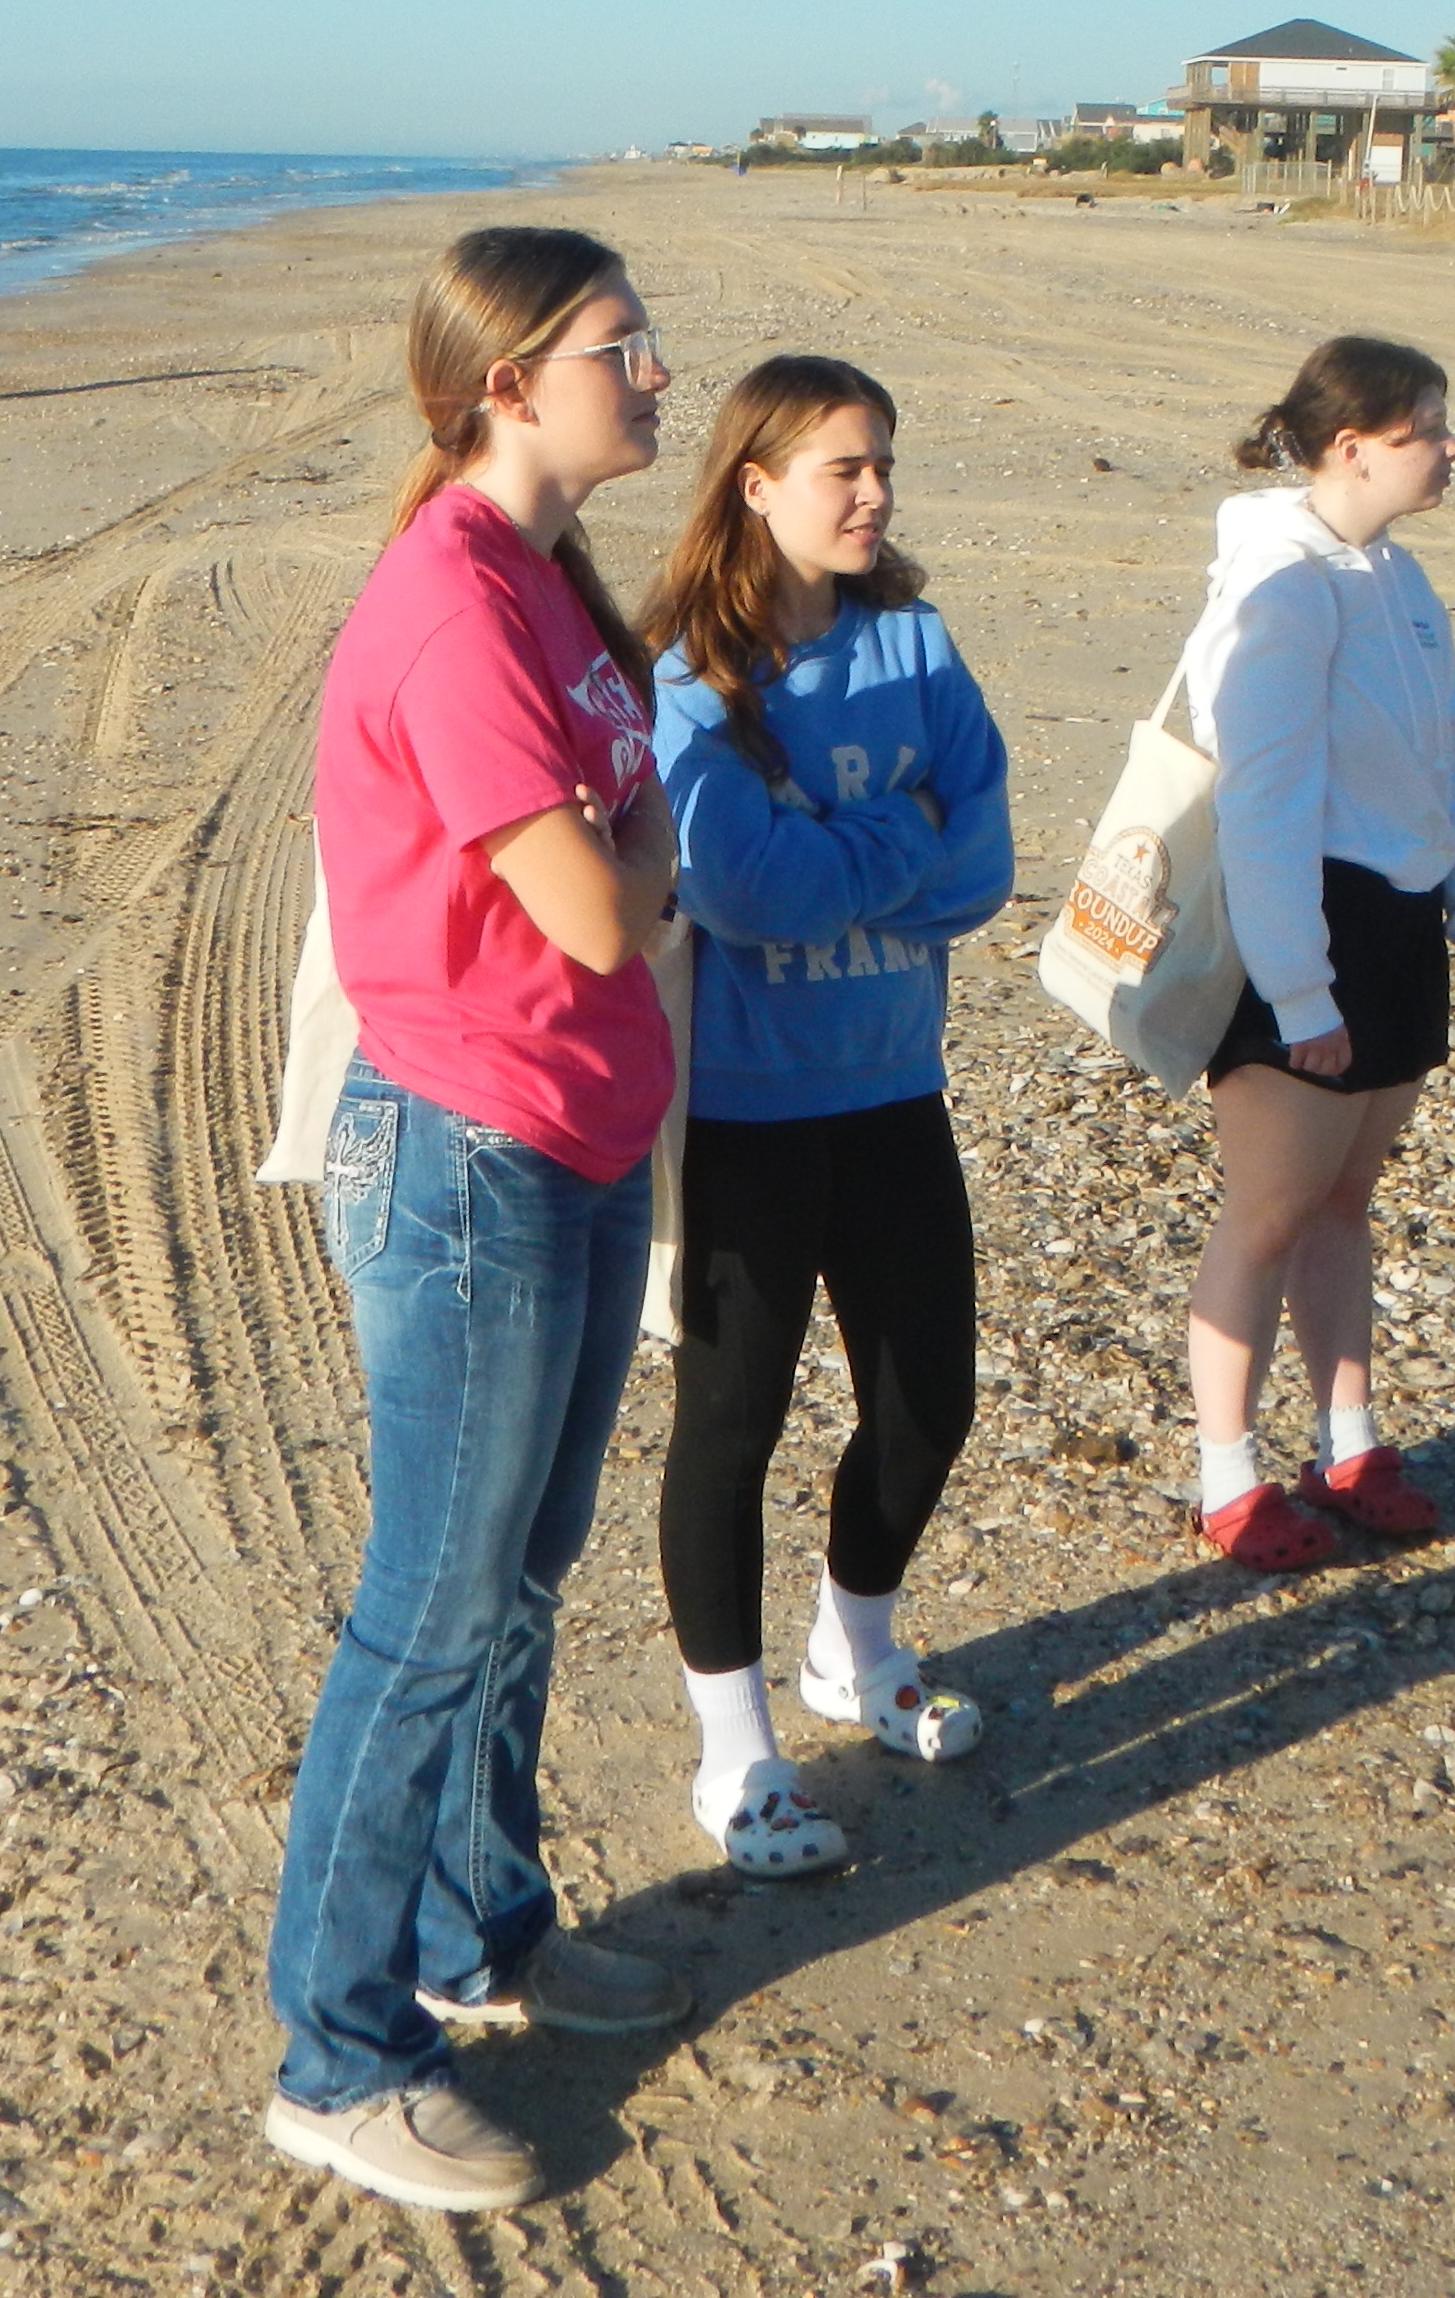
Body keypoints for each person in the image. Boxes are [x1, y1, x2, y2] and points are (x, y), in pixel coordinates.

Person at [266, 225, 694, 2216]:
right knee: (429, 1610)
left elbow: (639, 840)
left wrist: (633, 831)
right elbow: (612, 904)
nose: (659, 374)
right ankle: (339, 2053)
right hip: (465, 1152)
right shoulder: (451, 606)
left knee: (524, 1569)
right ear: (506, 382)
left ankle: (483, 1932)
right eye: (625, 346)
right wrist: (632, 835)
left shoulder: (547, 581)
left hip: (582, 1140)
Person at [645, 358, 1012, 1881]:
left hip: (889, 1085)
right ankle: (735, 1755)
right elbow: (730, 888)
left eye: (882, 466)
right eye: (840, 469)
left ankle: (853, 1644)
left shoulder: (914, 646)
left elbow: (984, 863)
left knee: (933, 1400)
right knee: (730, 1431)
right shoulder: (687, 675)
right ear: (754, 481)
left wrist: (837, 846)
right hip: (741, 1112)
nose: (873, 494)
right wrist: (895, 840)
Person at [1178, 333, 1455, 1574]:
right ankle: (1227, 1476)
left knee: (1344, 1201)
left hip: (1394, 923)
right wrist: (1295, 988)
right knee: (1269, 1210)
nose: (1450, 450)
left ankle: (1350, 1443)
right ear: (1352, 448)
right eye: (1428, 430)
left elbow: (1453, 754)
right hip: (1299, 923)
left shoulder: (1395, 575)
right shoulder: (1281, 585)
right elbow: (1263, 802)